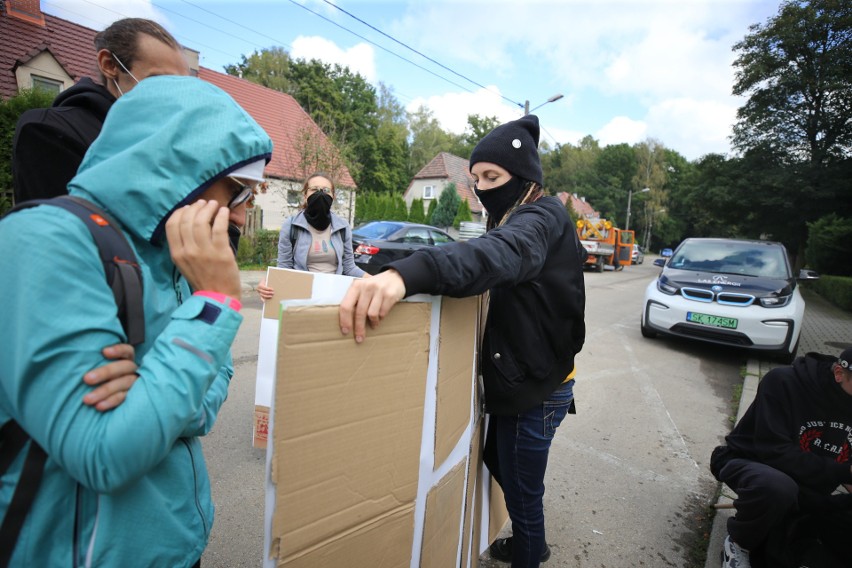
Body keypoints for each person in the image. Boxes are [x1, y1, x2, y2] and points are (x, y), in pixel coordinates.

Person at [0, 76, 273, 567]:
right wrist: (214, 302)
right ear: (178, 165)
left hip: (173, 546)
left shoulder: (173, 259)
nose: (239, 217)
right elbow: (105, 452)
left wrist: (150, 389)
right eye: (239, 192)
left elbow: (208, 400)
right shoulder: (43, 240)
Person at [337, 114, 586, 568]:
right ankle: (536, 543)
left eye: (492, 177)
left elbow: (500, 255)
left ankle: (531, 552)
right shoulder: (522, 217)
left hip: (537, 387)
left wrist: (406, 274)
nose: (481, 189)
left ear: (525, 177)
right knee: (511, 474)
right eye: (475, 180)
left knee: (522, 489)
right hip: (533, 376)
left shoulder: (540, 218)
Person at [12, 17, 189, 203]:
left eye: (181, 85)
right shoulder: (47, 130)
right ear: (109, 65)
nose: (172, 92)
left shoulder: (162, 137)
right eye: (160, 79)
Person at [710, 348, 852, 568]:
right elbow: (774, 452)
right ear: (839, 373)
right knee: (778, 488)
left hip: (808, 482)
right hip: (754, 462)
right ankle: (739, 543)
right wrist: (844, 472)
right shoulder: (784, 382)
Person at [257, 172, 364, 301]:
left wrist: (377, 280)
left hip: (334, 297)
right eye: (314, 189)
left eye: (326, 190)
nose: (320, 194)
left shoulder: (343, 227)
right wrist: (267, 283)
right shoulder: (291, 226)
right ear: (305, 195)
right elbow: (284, 268)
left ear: (333, 196)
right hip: (302, 297)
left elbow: (349, 268)